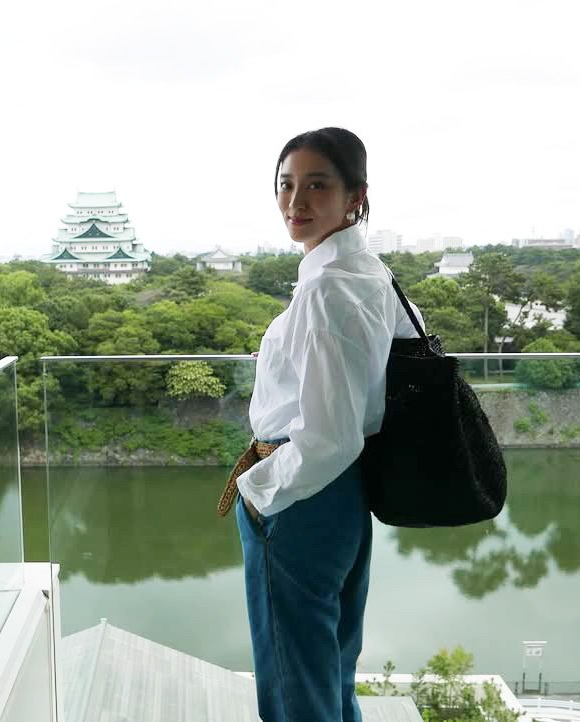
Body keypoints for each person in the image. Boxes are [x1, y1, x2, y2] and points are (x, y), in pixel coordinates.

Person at [235, 127, 423, 722]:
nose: (295, 202)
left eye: (317, 185)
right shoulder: (368, 271)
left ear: (355, 196)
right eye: (286, 185)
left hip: (300, 494)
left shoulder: (327, 288)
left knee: (295, 682)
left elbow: (327, 437)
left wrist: (258, 489)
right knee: (330, 666)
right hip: (344, 493)